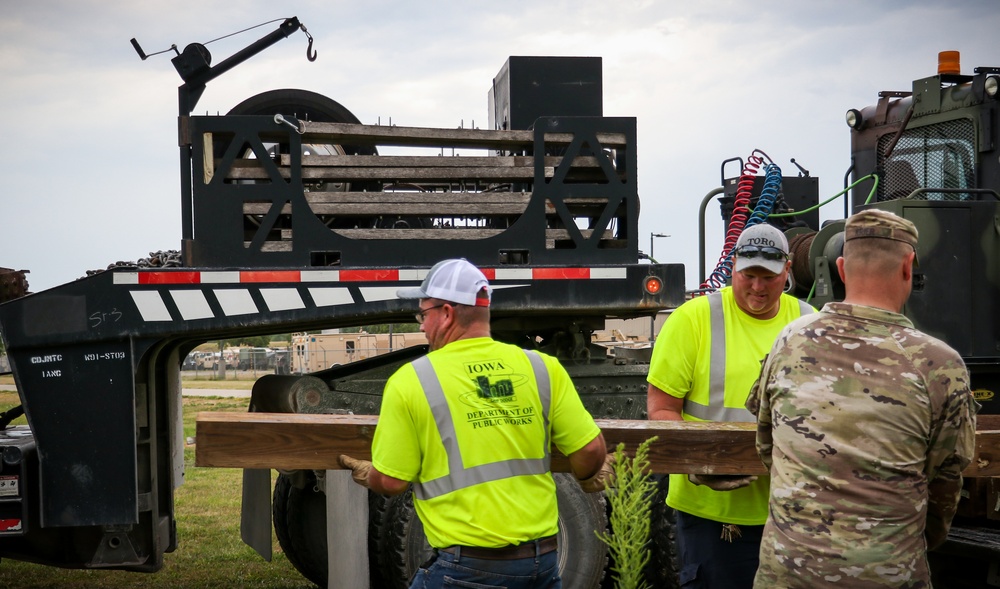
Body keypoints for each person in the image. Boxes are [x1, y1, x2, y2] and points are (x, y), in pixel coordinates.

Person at [339, 258, 612, 589]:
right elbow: (590, 449)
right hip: (541, 563)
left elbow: (394, 482)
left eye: (423, 315)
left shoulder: (413, 381)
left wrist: (372, 475)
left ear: (447, 313)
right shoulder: (542, 368)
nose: (422, 326)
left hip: (467, 570)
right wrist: (586, 476)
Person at [747, 209, 977, 588]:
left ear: (840, 268)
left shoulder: (789, 341)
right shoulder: (939, 365)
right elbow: (944, 481)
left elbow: (767, 444)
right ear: (908, 267)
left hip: (788, 573)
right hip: (885, 573)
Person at [646, 222, 814, 588]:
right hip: (713, 519)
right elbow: (661, 411)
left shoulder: (807, 322)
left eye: (768, 277)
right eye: (748, 275)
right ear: (734, 265)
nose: (757, 287)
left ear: (787, 270)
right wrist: (696, 465)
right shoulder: (693, 319)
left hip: (790, 514)